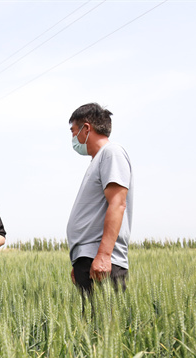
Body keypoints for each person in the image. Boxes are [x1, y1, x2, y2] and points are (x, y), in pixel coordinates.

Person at [66, 103, 133, 296]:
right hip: (88, 258)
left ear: (86, 128)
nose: (73, 137)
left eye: (73, 131)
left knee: (105, 315)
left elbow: (118, 203)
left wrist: (103, 255)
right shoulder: (98, 160)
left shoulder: (111, 153)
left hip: (101, 260)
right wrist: (80, 259)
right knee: (92, 316)